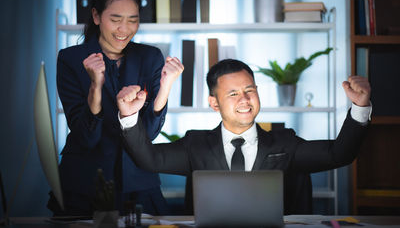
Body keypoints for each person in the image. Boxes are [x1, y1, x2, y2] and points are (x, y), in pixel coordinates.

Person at [115, 58, 371, 214]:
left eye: (250, 90)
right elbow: (148, 159)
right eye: (233, 94)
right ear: (214, 103)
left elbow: (340, 154)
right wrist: (128, 116)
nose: (245, 99)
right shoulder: (195, 145)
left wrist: (360, 107)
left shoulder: (285, 142)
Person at [49, 0, 183, 216]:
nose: (124, 29)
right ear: (96, 16)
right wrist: (95, 88)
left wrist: (165, 87)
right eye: (115, 19)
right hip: (86, 181)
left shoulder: (150, 57)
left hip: (139, 180)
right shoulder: (70, 59)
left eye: (133, 20)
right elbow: (86, 137)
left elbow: (148, 134)